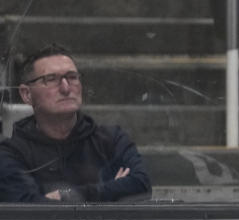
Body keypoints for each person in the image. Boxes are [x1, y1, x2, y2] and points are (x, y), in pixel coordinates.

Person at [0, 44, 151, 203]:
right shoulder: (11, 154)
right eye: (51, 79)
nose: (66, 88)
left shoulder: (112, 140)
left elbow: (140, 185)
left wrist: (67, 195)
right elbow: (26, 208)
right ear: (26, 94)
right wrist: (110, 189)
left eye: (72, 77)